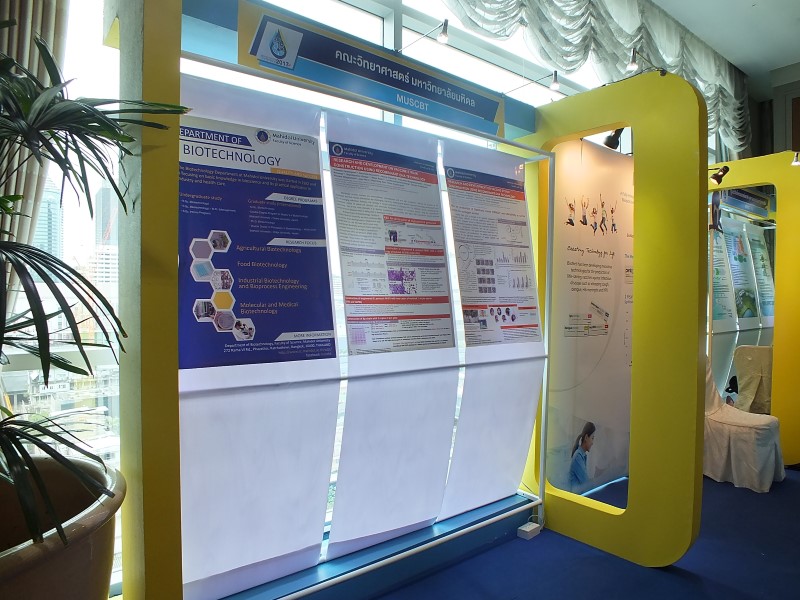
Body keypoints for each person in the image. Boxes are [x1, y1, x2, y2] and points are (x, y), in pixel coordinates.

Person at [569, 421, 596, 491]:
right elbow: (586, 483)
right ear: (586, 437)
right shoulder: (578, 456)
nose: (592, 443)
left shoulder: (582, 456)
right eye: (592, 438)